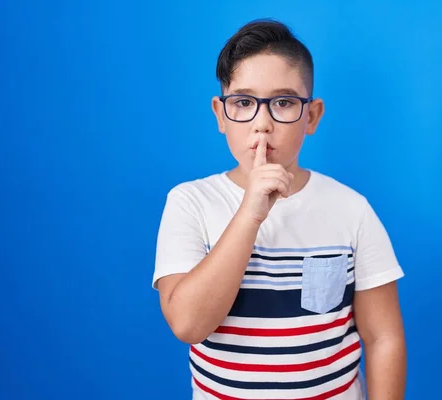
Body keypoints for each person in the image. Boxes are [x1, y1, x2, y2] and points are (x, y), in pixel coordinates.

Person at [152, 18, 407, 400]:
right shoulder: (190, 202)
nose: (263, 123)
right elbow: (188, 324)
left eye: (284, 102)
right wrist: (249, 214)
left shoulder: (351, 209)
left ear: (312, 116)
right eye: (243, 102)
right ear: (221, 115)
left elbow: (383, 335)